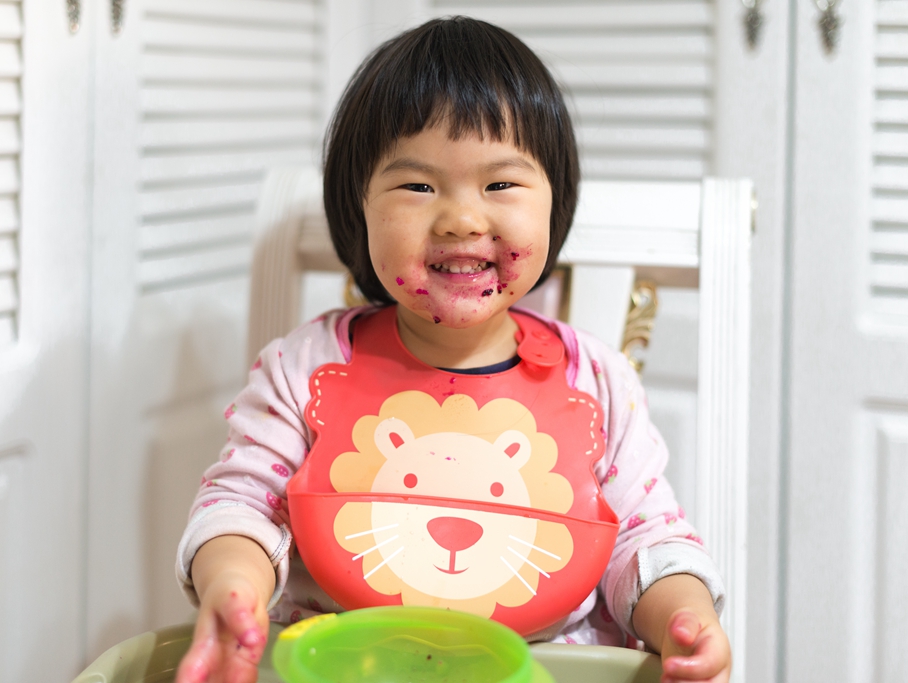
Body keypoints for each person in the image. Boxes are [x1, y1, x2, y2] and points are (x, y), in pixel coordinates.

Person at [174, 16, 730, 683]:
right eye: (417, 186)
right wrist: (233, 583)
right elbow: (242, 503)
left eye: (500, 185)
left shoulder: (598, 381)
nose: (462, 219)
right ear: (360, 209)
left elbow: (644, 538)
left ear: (555, 204)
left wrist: (683, 617)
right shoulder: (303, 369)